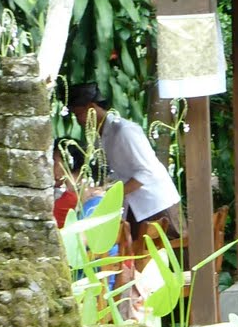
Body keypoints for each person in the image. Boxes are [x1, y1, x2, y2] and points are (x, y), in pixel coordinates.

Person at [69, 84, 185, 244]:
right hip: (134, 207)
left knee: (173, 252)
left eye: (78, 114)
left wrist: (112, 193)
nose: (78, 121)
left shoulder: (124, 131)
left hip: (156, 204)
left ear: (91, 108)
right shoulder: (99, 135)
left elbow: (146, 172)